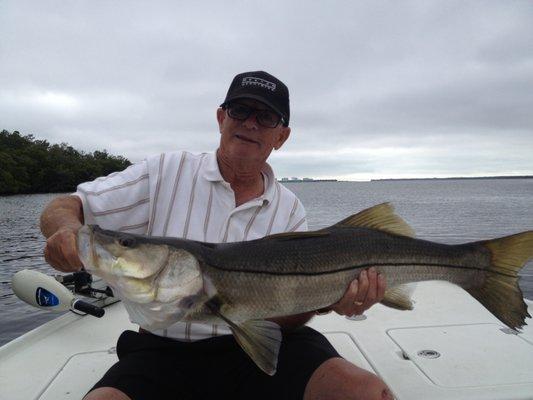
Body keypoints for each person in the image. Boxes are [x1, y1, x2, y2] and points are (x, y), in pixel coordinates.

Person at [40, 71, 392, 400]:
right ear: (221, 118)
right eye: (240, 110)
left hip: (257, 344)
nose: (250, 123)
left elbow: (287, 317)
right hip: (163, 349)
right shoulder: (165, 172)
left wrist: (329, 299)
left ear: (281, 136)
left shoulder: (289, 209)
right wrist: (66, 230)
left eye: (265, 117)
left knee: (365, 392)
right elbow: (67, 205)